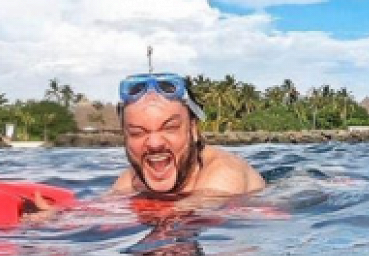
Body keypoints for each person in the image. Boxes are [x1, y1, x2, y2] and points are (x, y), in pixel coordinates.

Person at [110, 72, 265, 197]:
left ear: (193, 129)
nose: (154, 143)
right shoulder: (131, 180)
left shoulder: (225, 175)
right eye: (137, 133)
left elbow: (187, 220)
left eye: (170, 128)